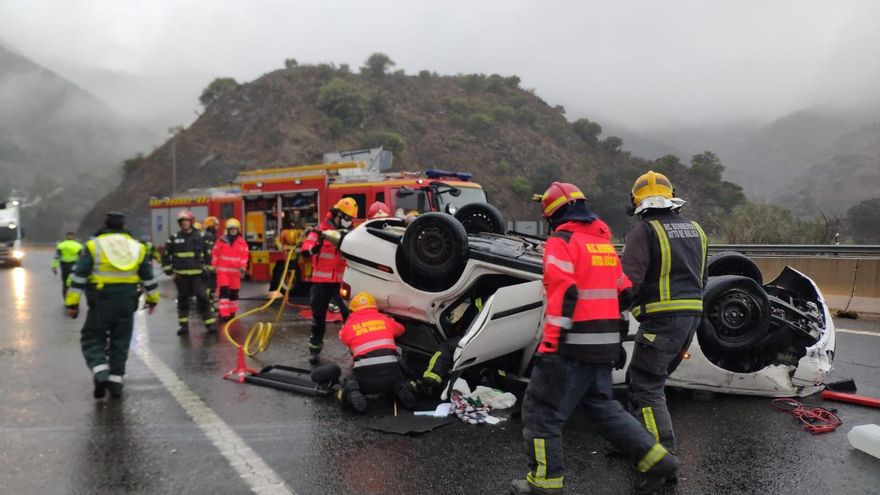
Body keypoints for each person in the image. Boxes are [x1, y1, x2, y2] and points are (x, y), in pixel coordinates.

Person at [511, 182, 678, 495]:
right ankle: (658, 460)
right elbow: (623, 293)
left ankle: (544, 484)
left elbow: (565, 293)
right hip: (603, 345)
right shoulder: (603, 245)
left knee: (542, 412)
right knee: (604, 409)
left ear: (552, 215)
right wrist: (617, 340)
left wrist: (550, 345)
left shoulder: (562, 242)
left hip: (570, 346)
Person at [621, 171, 707, 454]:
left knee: (646, 387)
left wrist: (609, 309)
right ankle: (632, 442)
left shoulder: (643, 231)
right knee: (638, 380)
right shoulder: (696, 229)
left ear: (637, 204)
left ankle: (661, 457)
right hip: (691, 318)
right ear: (672, 199)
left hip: (661, 322)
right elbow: (702, 278)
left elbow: (628, 282)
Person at [65, 212, 159, 398]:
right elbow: (148, 278)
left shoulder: (94, 246)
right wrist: (152, 300)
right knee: (121, 341)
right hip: (127, 301)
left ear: (105, 224)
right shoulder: (137, 247)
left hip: (101, 300)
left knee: (92, 338)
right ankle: (116, 382)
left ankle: (101, 372)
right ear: (124, 226)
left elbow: (79, 277)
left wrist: (72, 304)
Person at [336, 292, 417, 413]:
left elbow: (342, 337)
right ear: (374, 307)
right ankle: (400, 387)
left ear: (352, 310)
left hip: (365, 379)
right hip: (392, 374)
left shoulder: (349, 326)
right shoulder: (385, 320)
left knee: (348, 382)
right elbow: (401, 329)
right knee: (402, 379)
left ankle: (352, 390)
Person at [300, 198, 357, 365]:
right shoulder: (320, 231)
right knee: (318, 318)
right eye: (347, 218)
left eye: (351, 220)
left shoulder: (352, 234)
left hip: (341, 283)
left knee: (350, 317)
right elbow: (305, 250)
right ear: (337, 215)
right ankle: (315, 350)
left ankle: (357, 351)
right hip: (321, 284)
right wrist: (314, 248)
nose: (349, 222)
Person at [163, 210, 217, 335]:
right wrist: (169, 272)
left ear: (191, 222)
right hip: (181, 276)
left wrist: (208, 269)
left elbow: (209, 254)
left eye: (186, 221)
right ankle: (184, 326)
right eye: (182, 222)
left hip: (198, 274)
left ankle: (210, 324)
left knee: (203, 297)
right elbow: (165, 256)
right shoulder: (174, 239)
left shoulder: (201, 236)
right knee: (183, 299)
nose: (184, 224)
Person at [212, 218, 249, 321]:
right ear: (227, 230)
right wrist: (214, 265)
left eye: (235, 229)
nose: (233, 230)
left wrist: (243, 266)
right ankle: (224, 314)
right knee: (224, 292)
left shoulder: (242, 242)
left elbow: (245, 256)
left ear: (238, 230)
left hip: (235, 273)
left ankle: (232, 312)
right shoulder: (221, 240)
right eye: (231, 229)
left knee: (234, 293)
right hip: (223, 271)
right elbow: (215, 253)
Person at [52, 231, 83, 298]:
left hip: (64, 265)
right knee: (74, 282)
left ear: (66, 236)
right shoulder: (78, 245)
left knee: (65, 282)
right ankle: (73, 298)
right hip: (75, 265)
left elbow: (57, 257)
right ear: (74, 237)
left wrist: (54, 267)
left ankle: (65, 297)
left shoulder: (61, 245)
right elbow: (82, 258)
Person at [203, 216, 219, 309]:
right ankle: (208, 306)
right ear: (212, 225)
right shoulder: (210, 236)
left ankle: (210, 305)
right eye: (216, 225)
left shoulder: (209, 235)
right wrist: (213, 265)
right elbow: (209, 252)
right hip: (210, 267)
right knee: (210, 287)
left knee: (211, 287)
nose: (217, 227)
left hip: (210, 266)